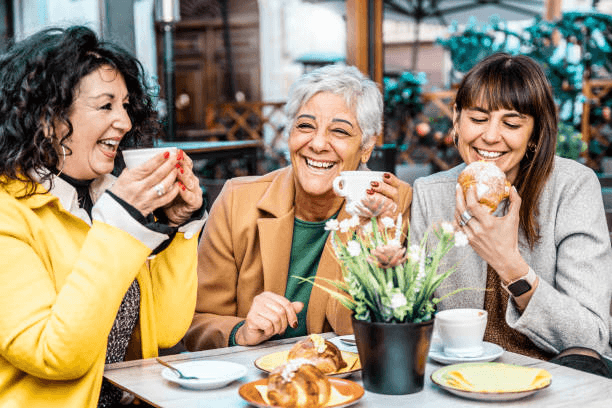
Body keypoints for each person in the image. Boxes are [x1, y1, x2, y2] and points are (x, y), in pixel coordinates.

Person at [0, 26, 205, 407]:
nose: (125, 123)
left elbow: (165, 327)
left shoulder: (104, 199)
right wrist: (123, 222)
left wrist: (178, 223)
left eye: (126, 106)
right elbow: (55, 355)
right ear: (48, 119)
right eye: (106, 105)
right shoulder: (8, 213)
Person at [184, 64, 412, 350]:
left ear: (366, 146)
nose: (317, 144)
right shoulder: (237, 201)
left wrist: (375, 239)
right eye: (305, 126)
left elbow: (380, 334)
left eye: (339, 131)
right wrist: (240, 332)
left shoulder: (393, 204)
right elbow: (195, 322)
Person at [410, 53, 612, 375]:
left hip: (550, 380)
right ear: (456, 120)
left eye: (512, 123)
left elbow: (592, 337)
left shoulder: (571, 188)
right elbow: (414, 318)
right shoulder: (430, 193)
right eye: (477, 119)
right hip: (455, 379)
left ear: (534, 133)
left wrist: (510, 264)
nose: (490, 136)